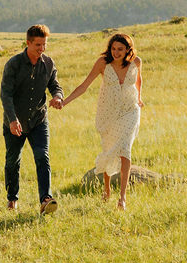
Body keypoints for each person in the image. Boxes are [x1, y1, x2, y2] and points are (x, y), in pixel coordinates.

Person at [60, 32, 143, 210]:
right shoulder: (103, 64)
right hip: (109, 114)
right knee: (109, 149)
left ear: (128, 49)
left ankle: (122, 197)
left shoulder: (136, 62)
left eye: (120, 49)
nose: (116, 52)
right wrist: (65, 102)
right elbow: (84, 85)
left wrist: (140, 98)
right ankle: (106, 190)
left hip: (130, 111)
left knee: (125, 149)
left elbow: (138, 80)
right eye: (113, 48)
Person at [0, 24, 65, 215]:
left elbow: (55, 85)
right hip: (14, 122)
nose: (42, 49)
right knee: (13, 161)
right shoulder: (14, 64)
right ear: (27, 43)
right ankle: (12, 199)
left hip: (38, 119)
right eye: (38, 45)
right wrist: (12, 120)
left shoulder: (48, 64)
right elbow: (6, 95)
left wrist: (58, 97)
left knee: (42, 156)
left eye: (44, 44)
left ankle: (46, 199)